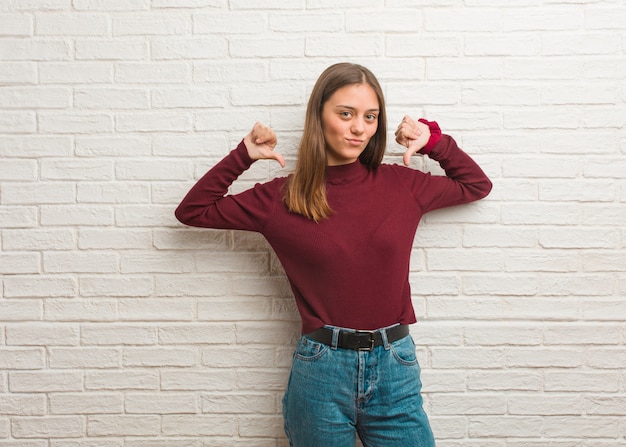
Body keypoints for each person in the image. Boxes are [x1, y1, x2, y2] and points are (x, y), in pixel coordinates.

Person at [175, 62, 492, 447]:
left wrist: (433, 142)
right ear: (319, 117)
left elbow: (476, 184)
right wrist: (244, 155)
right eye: (346, 114)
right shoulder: (280, 198)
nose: (360, 127)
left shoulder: (402, 185)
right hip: (321, 372)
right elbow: (193, 211)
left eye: (370, 117)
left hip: (396, 365)